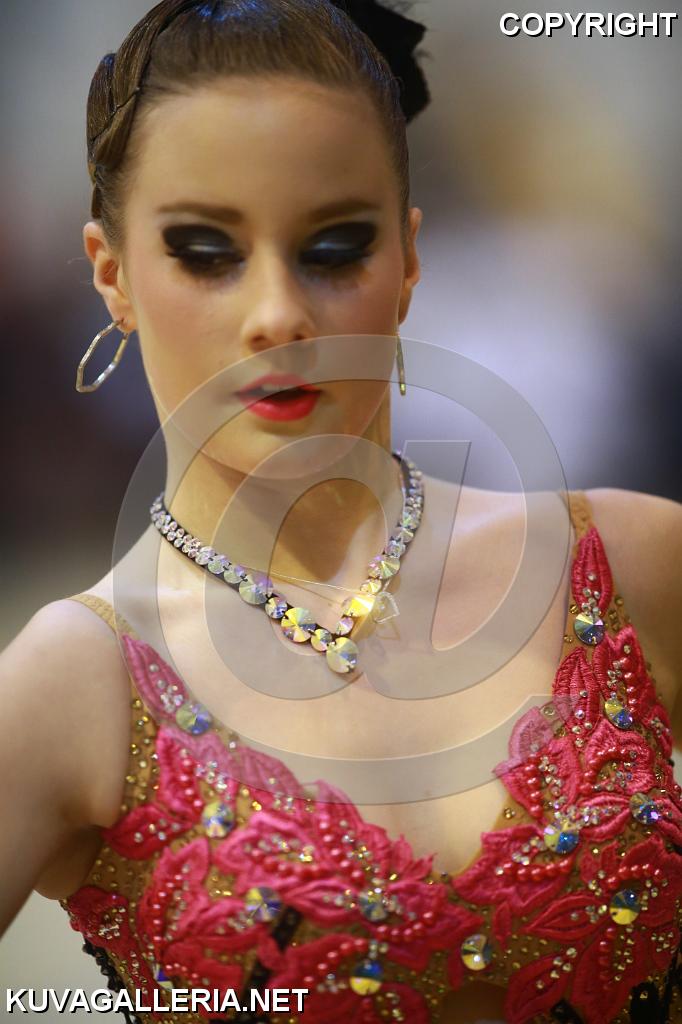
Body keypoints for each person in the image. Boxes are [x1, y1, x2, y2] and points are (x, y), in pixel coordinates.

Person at [1, 2, 681, 1022]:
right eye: (205, 251)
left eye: (332, 247)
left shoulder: (633, 561)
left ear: (406, 261)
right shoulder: (74, 687)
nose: (277, 313)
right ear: (113, 274)